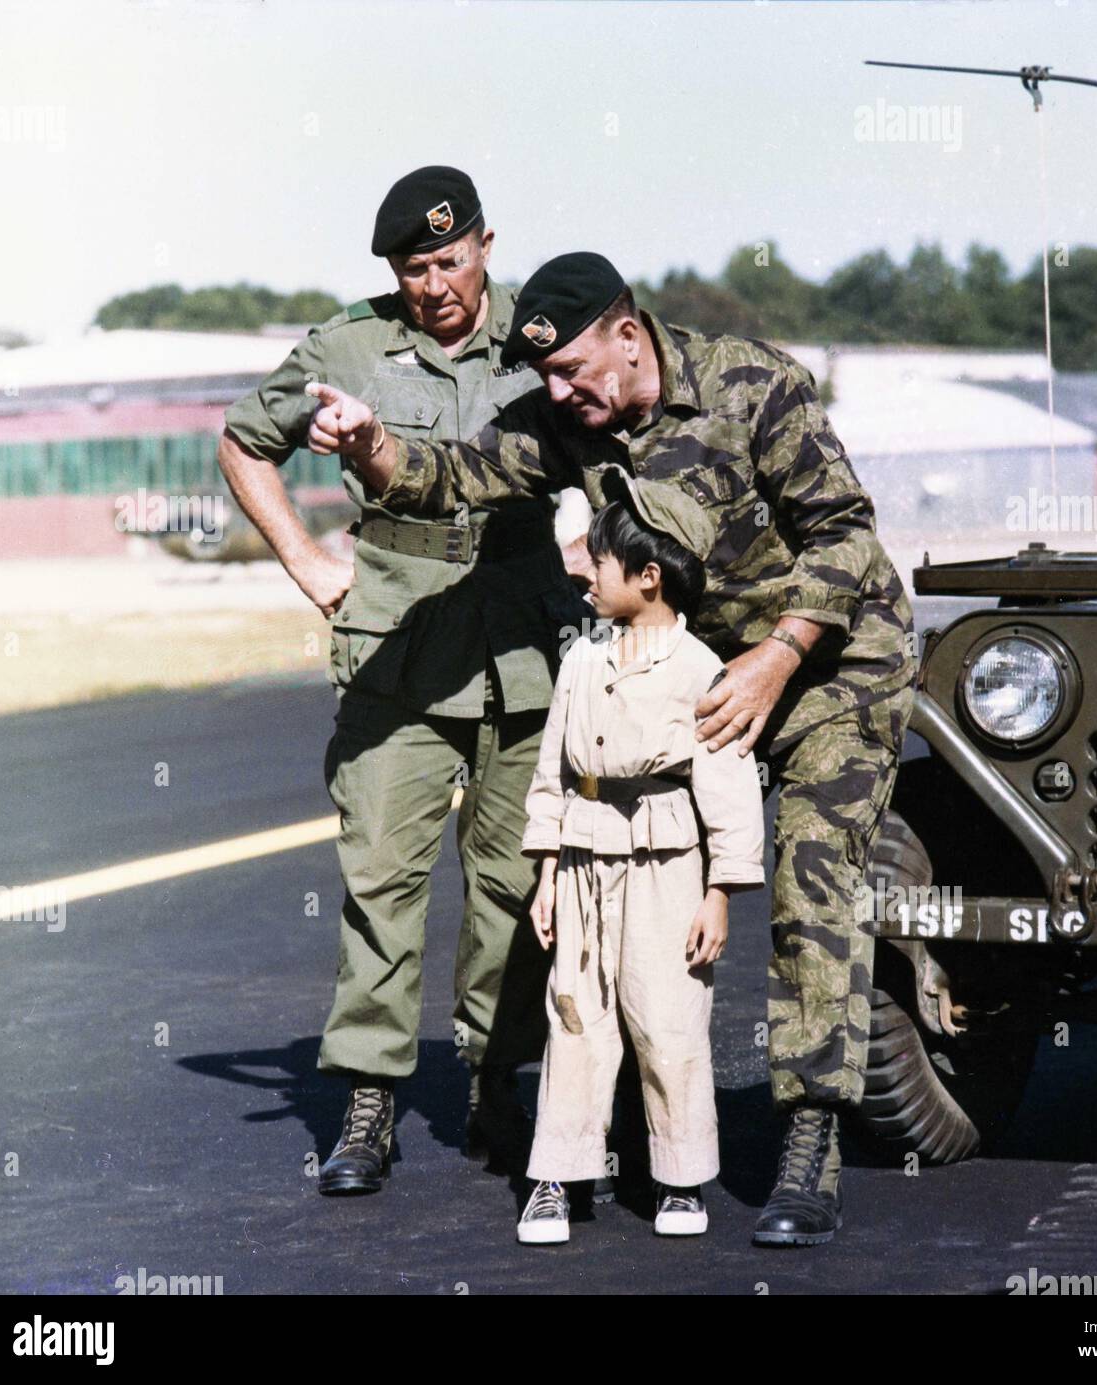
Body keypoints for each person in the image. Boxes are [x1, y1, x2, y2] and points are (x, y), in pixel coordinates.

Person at [305, 250, 917, 1244]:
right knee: (632, 871)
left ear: (628, 337)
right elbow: (451, 477)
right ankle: (636, 1109)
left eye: (572, 370)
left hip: (827, 661)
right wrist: (371, 442)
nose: (558, 394)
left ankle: (811, 1142)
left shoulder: (750, 384)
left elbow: (846, 533)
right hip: (694, 671)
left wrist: (777, 657)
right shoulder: (569, 417)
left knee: (809, 880)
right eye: (545, 377)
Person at [219, 168, 582, 1195]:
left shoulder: (540, 332)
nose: (434, 285)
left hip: (522, 648)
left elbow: (613, 427)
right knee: (381, 879)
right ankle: (370, 1096)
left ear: (485, 245)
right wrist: (306, 561)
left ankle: (496, 1080)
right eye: (413, 269)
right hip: (397, 649)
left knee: (516, 884)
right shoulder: (348, 347)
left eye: (450, 260)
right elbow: (244, 441)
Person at [514, 471, 765, 1245]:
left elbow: (727, 786)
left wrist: (720, 891)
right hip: (583, 862)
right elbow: (554, 771)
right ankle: (556, 1176)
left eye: (599, 561)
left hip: (667, 868)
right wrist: (548, 871)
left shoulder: (701, 670)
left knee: (668, 1020)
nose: (585, 574)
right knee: (574, 1016)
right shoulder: (583, 661)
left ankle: (681, 1178)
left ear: (648, 576)